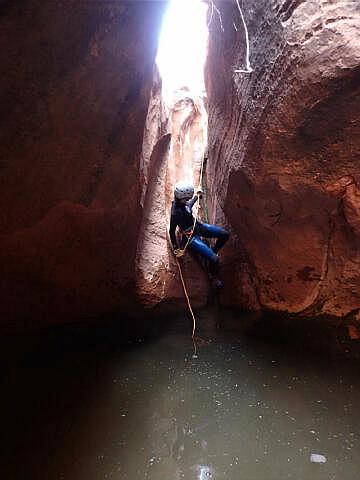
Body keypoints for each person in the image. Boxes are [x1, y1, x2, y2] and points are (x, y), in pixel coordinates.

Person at [169, 181, 229, 282]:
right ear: (182, 198)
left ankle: (213, 252)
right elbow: (171, 231)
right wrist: (176, 249)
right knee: (215, 259)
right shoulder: (175, 213)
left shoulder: (182, 202)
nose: (188, 199)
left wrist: (197, 196)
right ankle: (212, 275)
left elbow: (188, 205)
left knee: (224, 234)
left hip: (197, 226)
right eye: (187, 198)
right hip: (190, 237)